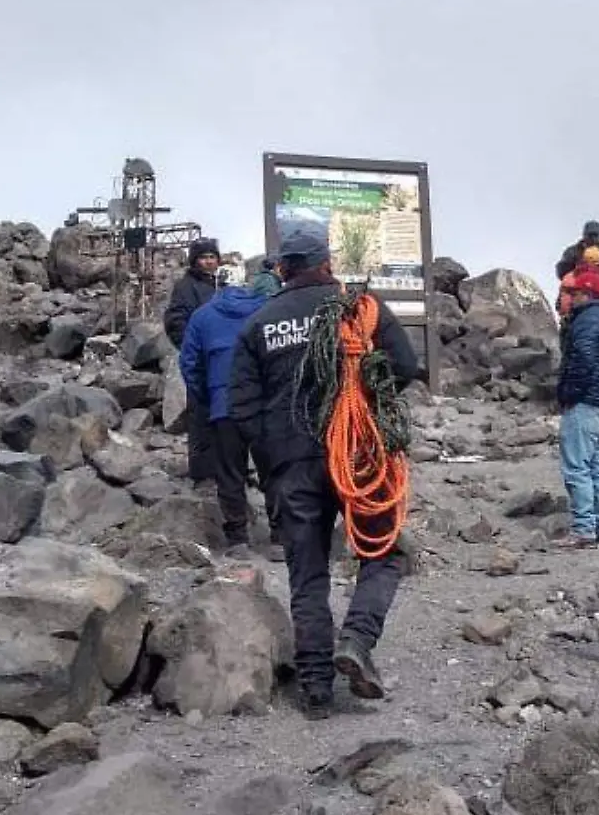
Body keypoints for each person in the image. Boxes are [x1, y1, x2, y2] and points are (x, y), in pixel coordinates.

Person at [228, 234, 421, 719]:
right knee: (386, 550)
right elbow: (404, 365)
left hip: (291, 465)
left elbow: (242, 408)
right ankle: (356, 639)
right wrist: (368, 405)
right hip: (357, 454)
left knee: (306, 571)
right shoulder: (360, 308)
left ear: (284, 270)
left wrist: (272, 457)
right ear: (327, 264)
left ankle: (316, 688)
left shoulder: (258, 324)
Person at [178, 277, 269, 557]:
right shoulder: (267, 310)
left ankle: (238, 538)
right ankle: (280, 537)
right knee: (274, 471)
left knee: (230, 472)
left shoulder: (202, 316)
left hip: (223, 405)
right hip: (263, 404)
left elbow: (189, 362)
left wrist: (205, 396)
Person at [553, 265, 599, 549]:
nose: (572, 297)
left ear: (587, 293)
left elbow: (582, 359)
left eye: (575, 292)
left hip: (586, 403)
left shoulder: (586, 321)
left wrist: (569, 393)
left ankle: (584, 529)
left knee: (577, 467)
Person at [163, 238, 223, 483]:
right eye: (203, 257)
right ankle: (202, 473)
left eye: (212, 257)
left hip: (220, 362)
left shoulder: (218, 285)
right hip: (201, 362)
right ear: (194, 260)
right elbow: (176, 322)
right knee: (200, 417)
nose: (209, 261)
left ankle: (221, 469)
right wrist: (194, 351)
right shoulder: (186, 286)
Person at [554, 220, 599, 294]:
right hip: (578, 290)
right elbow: (561, 271)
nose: (593, 239)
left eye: (596, 236)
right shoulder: (573, 250)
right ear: (584, 235)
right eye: (590, 235)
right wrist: (578, 262)